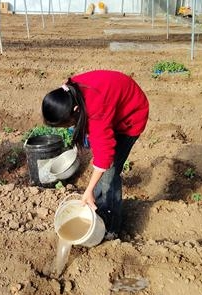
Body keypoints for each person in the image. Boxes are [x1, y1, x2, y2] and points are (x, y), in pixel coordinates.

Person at [42, 70, 149, 240]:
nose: (68, 127)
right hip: (113, 104)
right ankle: (97, 204)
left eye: (67, 124)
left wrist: (88, 190)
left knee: (110, 171)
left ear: (75, 110)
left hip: (131, 115)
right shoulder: (68, 93)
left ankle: (111, 226)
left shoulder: (96, 112)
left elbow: (105, 156)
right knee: (102, 164)